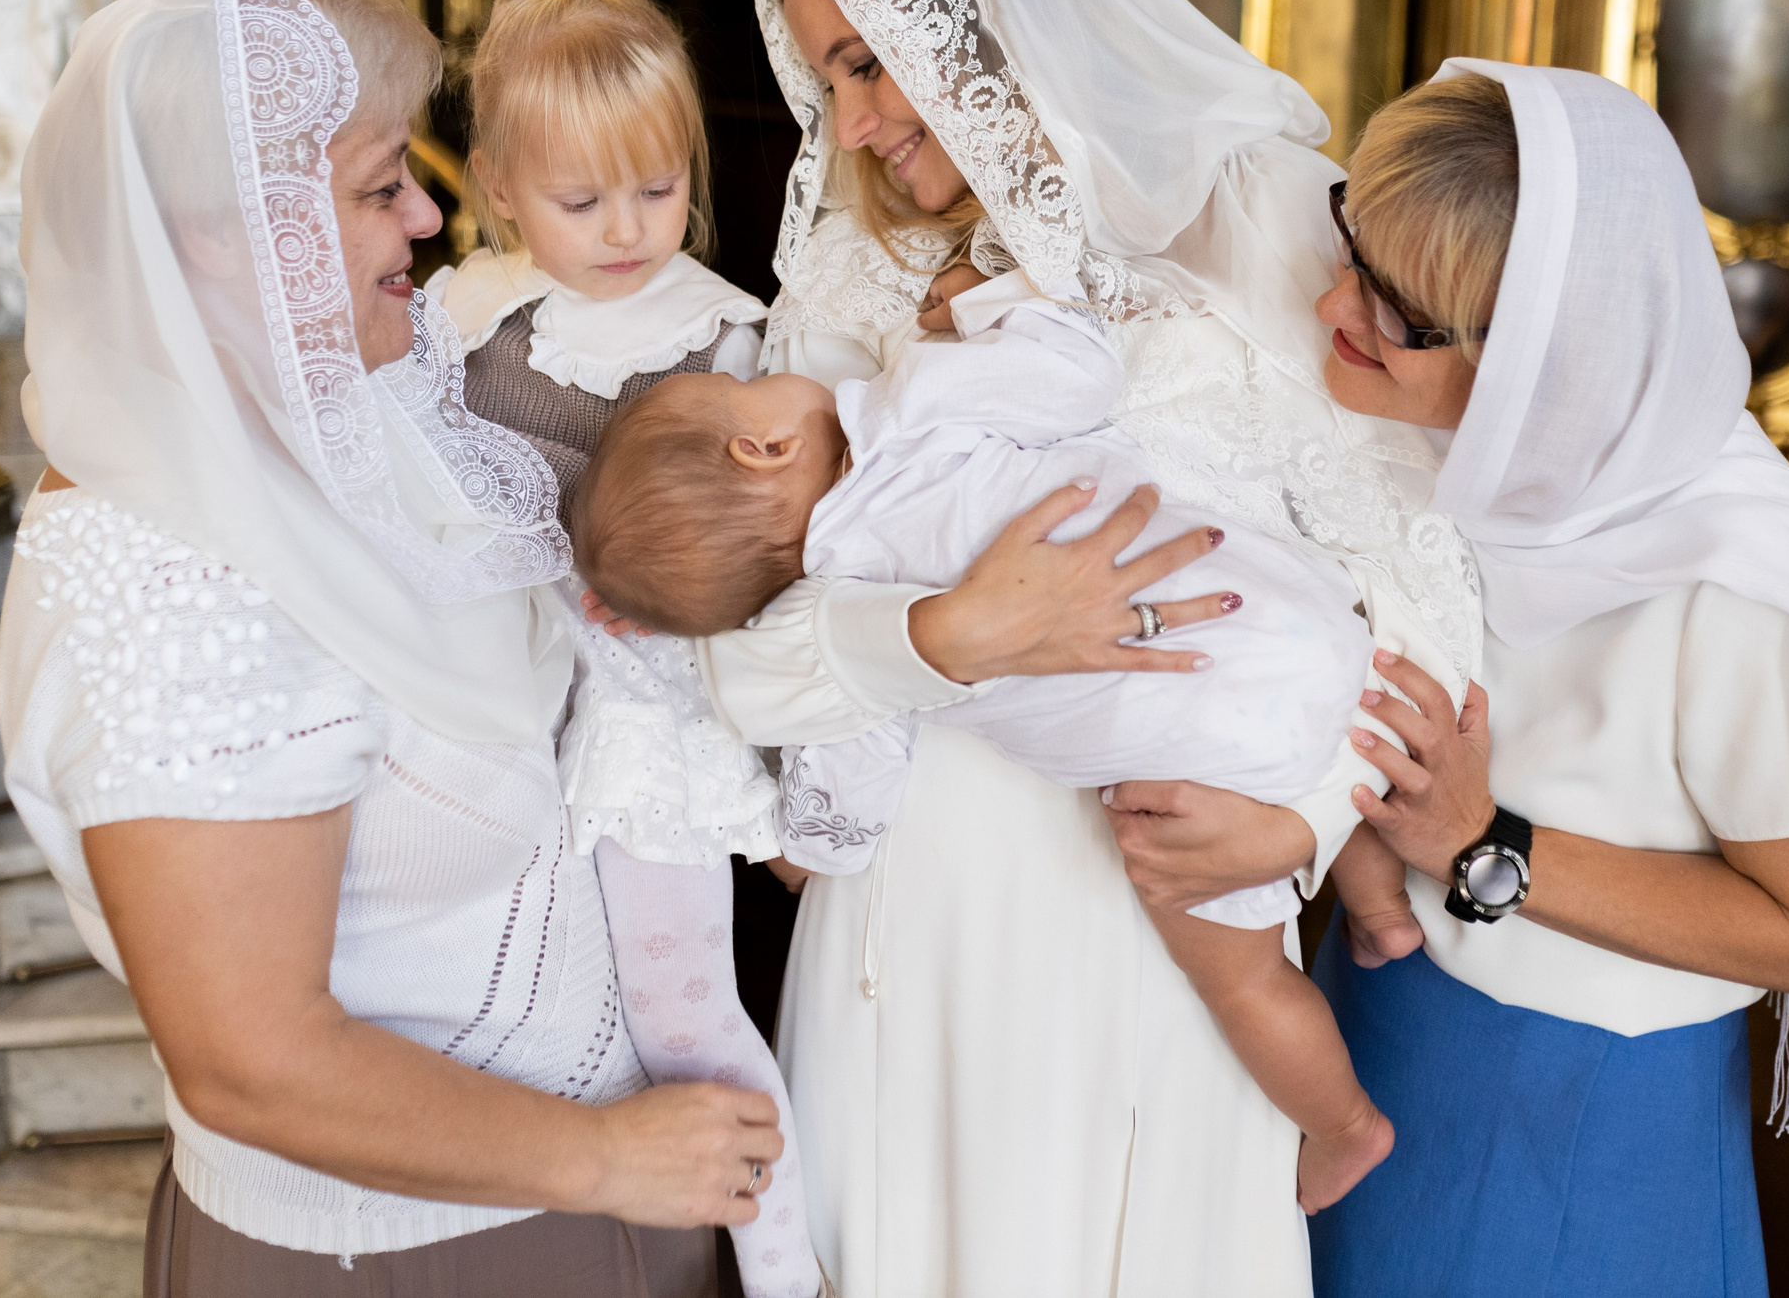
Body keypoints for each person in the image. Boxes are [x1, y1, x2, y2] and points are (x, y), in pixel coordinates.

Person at [671, 0, 1485, 1295]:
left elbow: (1424, 592)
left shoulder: (1255, 220)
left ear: (981, 14)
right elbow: (728, 653)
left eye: (868, 61)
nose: (846, 123)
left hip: (1158, 909)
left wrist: (1302, 823)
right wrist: (946, 634)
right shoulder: (851, 274)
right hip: (911, 918)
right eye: (824, 72)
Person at [0, 0, 785, 1296]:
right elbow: (251, 1051)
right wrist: (602, 1162)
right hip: (414, 1254)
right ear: (221, 229)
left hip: (618, 1189)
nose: (427, 215)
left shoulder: (383, 414)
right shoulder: (157, 572)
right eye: (375, 189)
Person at [1120, 63, 1789, 1298]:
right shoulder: (1427, 438)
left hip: (1575, 1103)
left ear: (1545, 355)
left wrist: (1485, 841)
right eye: (1351, 254)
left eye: (1394, 309)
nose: (1334, 305)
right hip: (1373, 1009)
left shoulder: (1728, 576)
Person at [573, 271, 1423, 1209]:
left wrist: (800, 843)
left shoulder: (843, 619)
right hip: (1286, 609)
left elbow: (844, 823)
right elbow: (1079, 369)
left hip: (1207, 758)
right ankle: (1376, 895)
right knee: (1328, 710)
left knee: (1246, 983)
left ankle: (1347, 1125)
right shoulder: (913, 405)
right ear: (762, 442)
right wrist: (982, 308)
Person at [425, 0, 813, 1298]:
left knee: (685, 1003)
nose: (629, 227)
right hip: (491, 707)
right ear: (498, 190)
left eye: (660, 187)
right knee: (526, 999)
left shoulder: (728, 337)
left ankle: (782, 1256)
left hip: (651, 714)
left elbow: (784, 553)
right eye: (582, 199)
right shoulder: (457, 319)